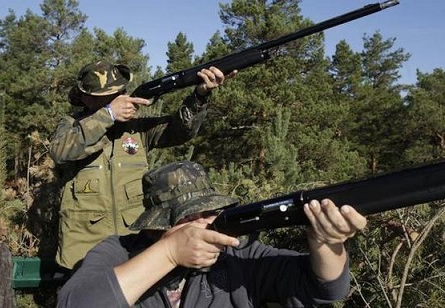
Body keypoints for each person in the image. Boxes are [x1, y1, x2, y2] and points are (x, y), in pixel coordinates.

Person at [57, 161, 367, 307]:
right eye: (190, 217)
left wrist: (327, 242)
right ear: (156, 225)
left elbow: (326, 288)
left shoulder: (238, 254)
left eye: (210, 212)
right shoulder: (118, 252)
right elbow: (76, 304)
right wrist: (168, 253)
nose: (206, 223)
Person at [50, 60, 234, 270]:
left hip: (136, 242)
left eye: (117, 94)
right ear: (85, 98)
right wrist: (107, 115)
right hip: (83, 248)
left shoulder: (136, 129)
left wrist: (200, 96)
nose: (115, 100)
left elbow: (179, 130)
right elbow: (60, 152)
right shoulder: (71, 126)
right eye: (105, 99)